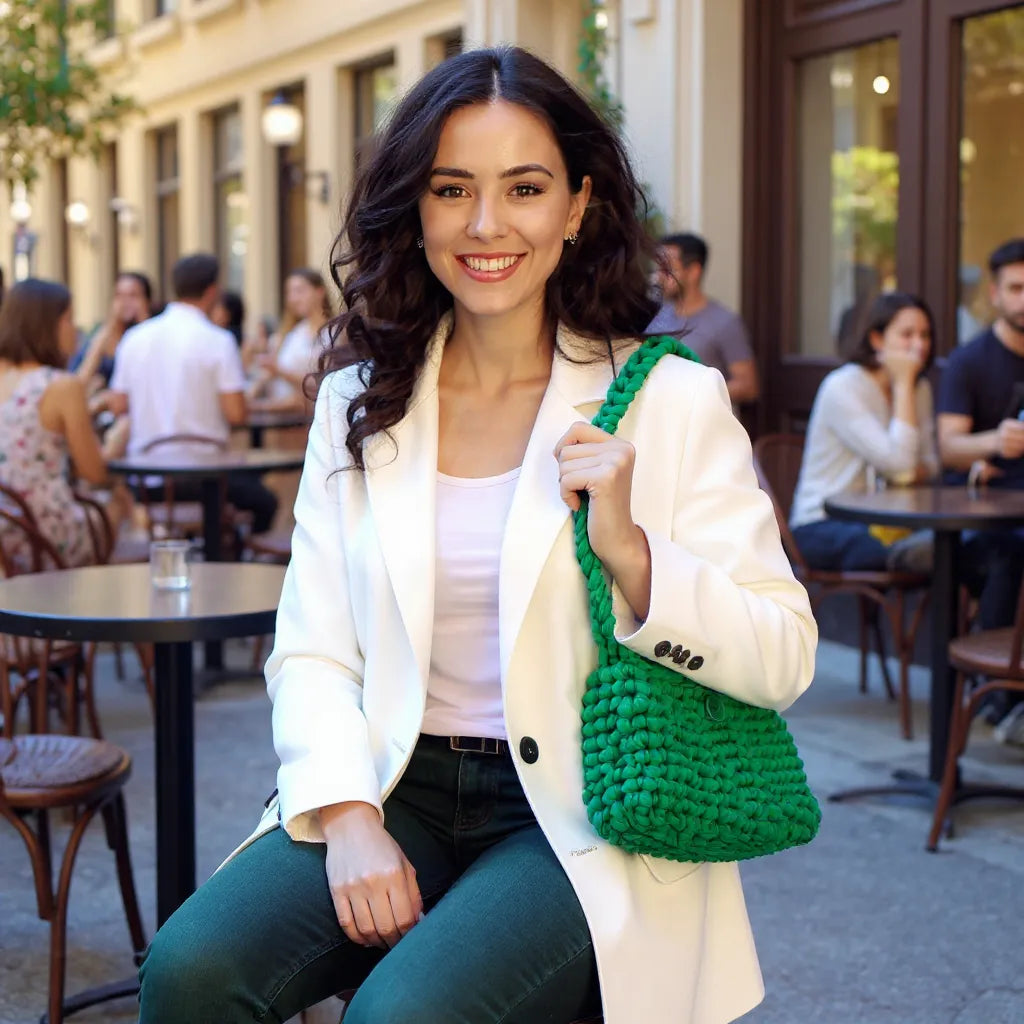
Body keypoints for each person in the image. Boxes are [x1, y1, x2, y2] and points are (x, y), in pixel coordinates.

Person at [137, 47, 817, 1024]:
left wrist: (632, 556)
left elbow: (785, 655)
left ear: (577, 206)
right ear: (414, 208)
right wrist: (349, 816)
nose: (486, 225)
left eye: (524, 188)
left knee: (402, 1015)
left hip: (585, 809)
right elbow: (315, 646)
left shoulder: (668, 399)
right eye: (452, 188)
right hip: (394, 780)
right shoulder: (358, 403)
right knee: (192, 970)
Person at [107, 253, 278, 535]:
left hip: (147, 481)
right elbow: (236, 415)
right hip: (206, 478)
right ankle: (231, 562)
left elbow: (117, 405)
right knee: (265, 502)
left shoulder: (135, 338)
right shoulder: (218, 341)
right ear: (212, 291)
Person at [938, 237, 1024, 738]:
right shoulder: (970, 360)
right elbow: (948, 447)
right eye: (1015, 288)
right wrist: (995, 441)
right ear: (994, 293)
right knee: (1007, 557)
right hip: (976, 520)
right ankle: (996, 693)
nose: (1023, 299)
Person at [791, 292, 938, 572]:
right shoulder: (843, 387)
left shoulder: (922, 389)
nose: (919, 345)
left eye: (925, 335)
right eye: (907, 334)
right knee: (882, 549)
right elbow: (904, 467)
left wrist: (906, 472)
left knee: (965, 546)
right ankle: (913, 558)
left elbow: (931, 464)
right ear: (876, 339)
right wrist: (903, 383)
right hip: (822, 522)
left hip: (890, 521)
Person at [0, 279, 130, 568]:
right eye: (69, 319)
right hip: (42, 535)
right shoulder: (61, 386)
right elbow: (94, 472)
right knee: (119, 497)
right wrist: (116, 443)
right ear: (48, 327)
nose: (74, 330)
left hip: (5, 533)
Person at [648, 231, 760, 405]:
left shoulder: (724, 322)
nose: (659, 277)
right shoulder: (656, 318)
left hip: (705, 427)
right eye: (658, 269)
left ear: (693, 271)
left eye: (667, 269)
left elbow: (748, 386)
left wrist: (692, 396)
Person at [248, 268, 332, 412]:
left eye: (300, 291)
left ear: (319, 292)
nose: (293, 298)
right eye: (290, 292)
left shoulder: (335, 333)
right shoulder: (291, 333)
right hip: (284, 418)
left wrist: (279, 372)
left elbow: (326, 383)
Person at [70, 270, 153, 393]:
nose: (125, 303)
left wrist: (144, 322)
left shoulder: (155, 333)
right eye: (119, 296)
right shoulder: (102, 334)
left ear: (146, 300)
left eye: (133, 296)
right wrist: (109, 329)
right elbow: (80, 381)